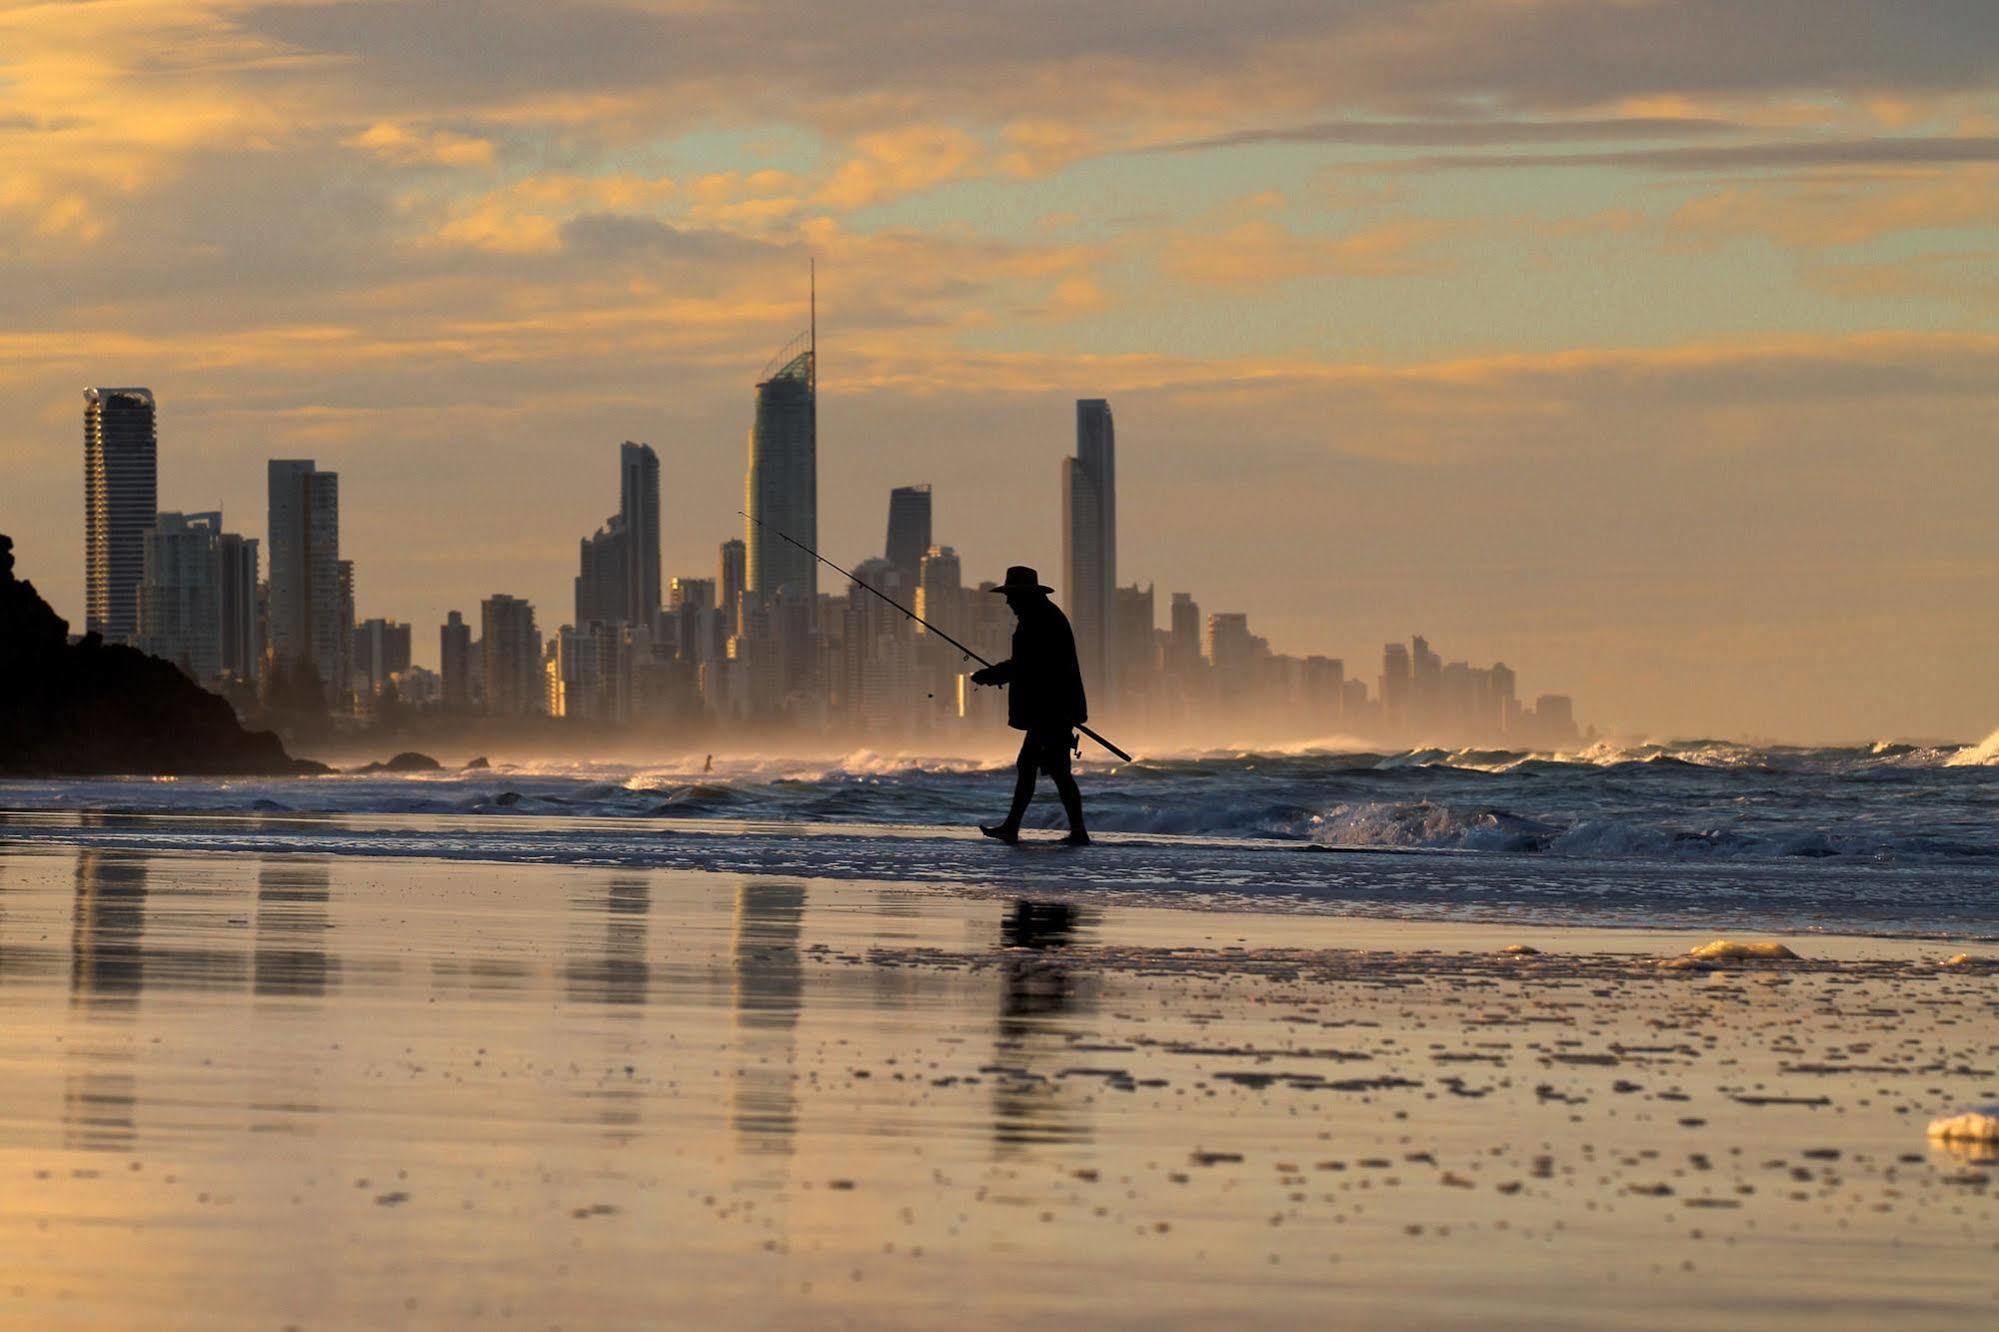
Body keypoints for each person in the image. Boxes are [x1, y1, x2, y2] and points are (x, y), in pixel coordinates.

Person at [970, 566, 1090, 846]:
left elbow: (1029, 665)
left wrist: (992, 675)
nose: (1008, 601)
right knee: (1055, 771)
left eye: (1011, 595)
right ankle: (1073, 831)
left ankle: (1018, 828)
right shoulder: (1041, 616)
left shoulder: (1040, 620)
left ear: (1024, 595)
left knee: (1036, 767)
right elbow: (1030, 666)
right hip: (1053, 709)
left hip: (1052, 710)